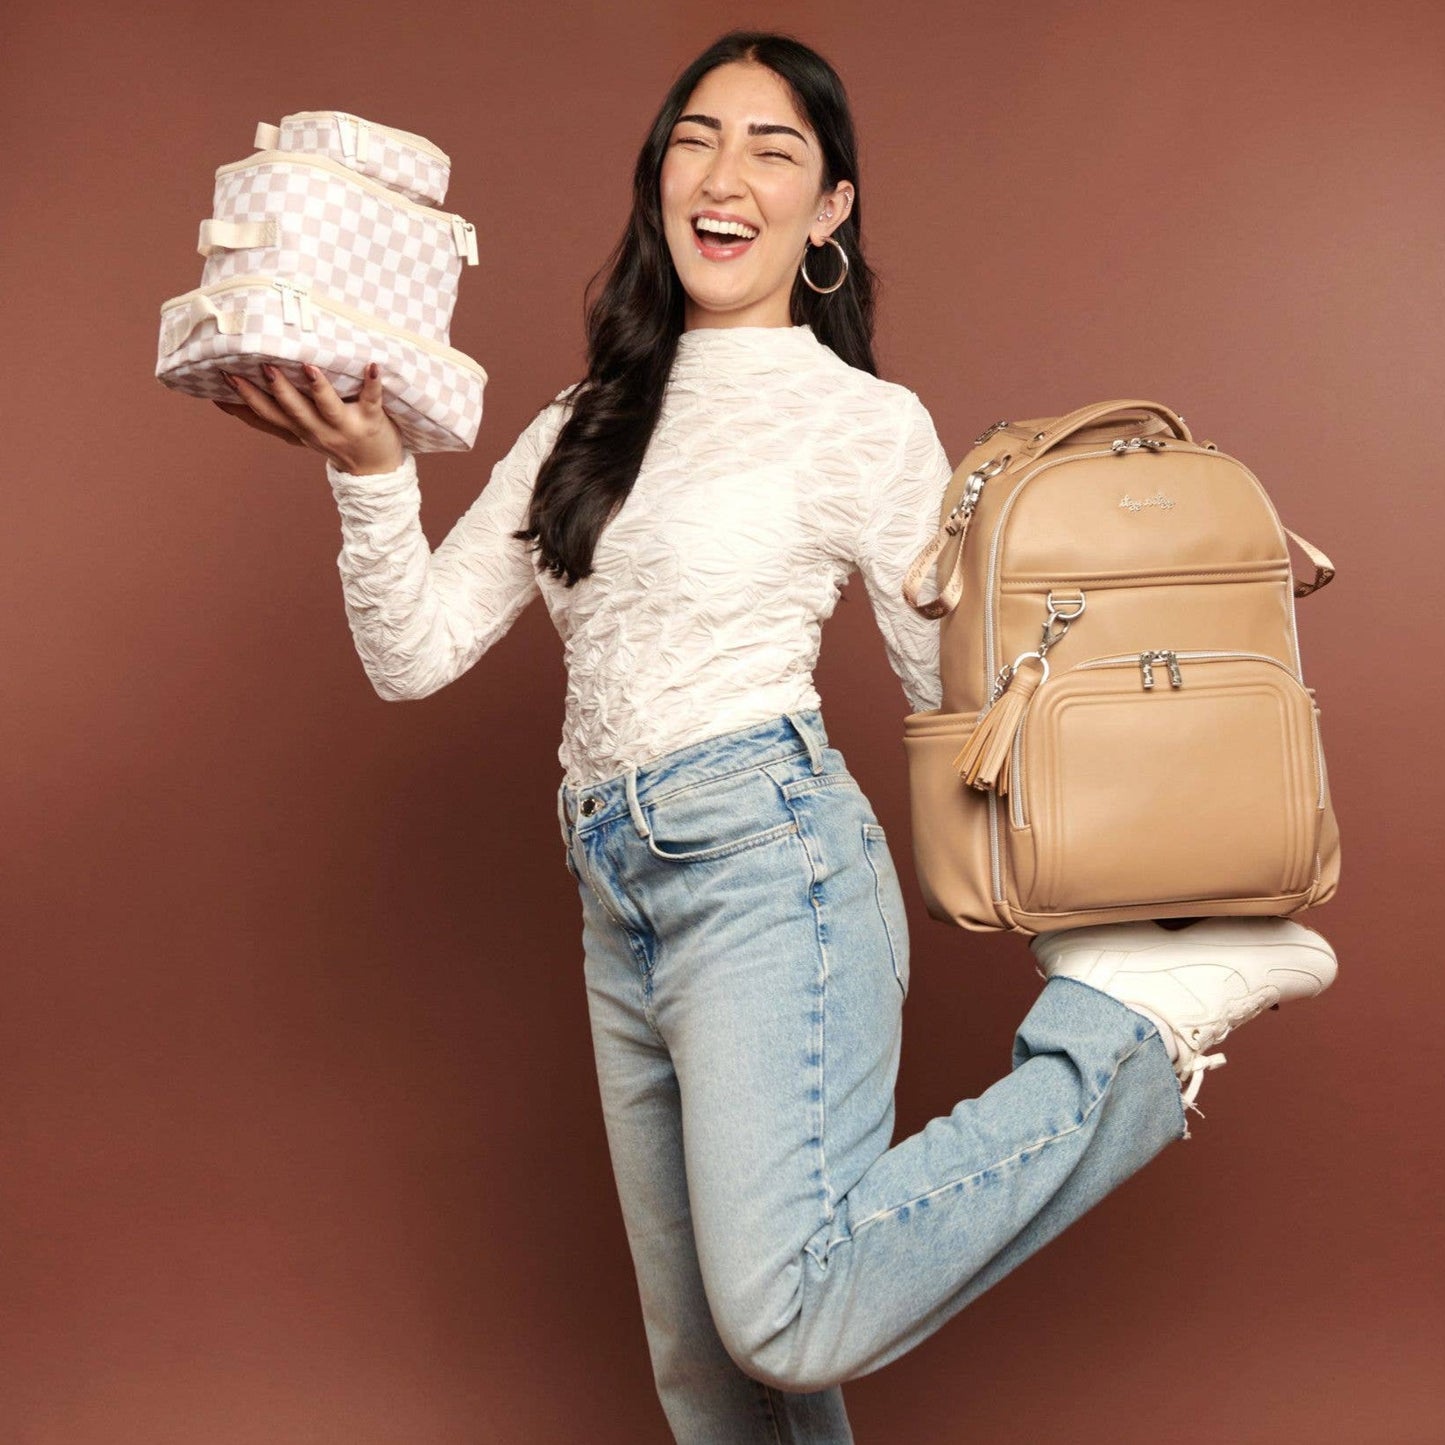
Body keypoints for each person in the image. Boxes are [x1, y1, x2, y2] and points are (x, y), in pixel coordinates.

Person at [213, 30, 1339, 1444]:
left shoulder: (857, 420)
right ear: (657, 181)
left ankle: (1131, 1029)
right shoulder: (581, 421)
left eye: (772, 146)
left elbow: (965, 672)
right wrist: (372, 477)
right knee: (713, 1377)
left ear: (829, 212)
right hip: (613, 892)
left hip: (772, 866)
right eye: (694, 137)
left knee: (783, 1316)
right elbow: (414, 653)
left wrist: (1167, 575)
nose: (722, 171)